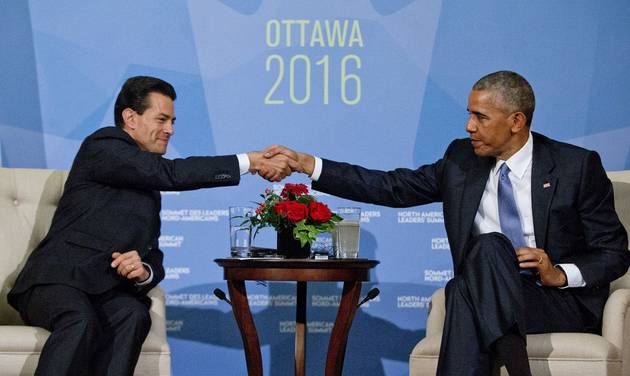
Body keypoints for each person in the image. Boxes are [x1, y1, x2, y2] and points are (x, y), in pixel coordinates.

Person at [264, 71, 630, 375]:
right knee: (482, 259)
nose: (469, 126)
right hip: (488, 292)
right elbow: (391, 187)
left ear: (516, 121)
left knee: (467, 285)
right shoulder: (461, 159)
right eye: (469, 114)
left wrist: (559, 273)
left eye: (481, 117)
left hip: (553, 300)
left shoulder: (575, 166)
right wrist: (309, 164)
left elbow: (614, 252)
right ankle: (517, 362)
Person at [7, 76, 295, 376]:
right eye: (161, 119)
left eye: (172, 121)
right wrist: (250, 161)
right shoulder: (104, 145)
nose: (169, 130)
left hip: (104, 288)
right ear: (129, 118)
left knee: (133, 314)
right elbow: (170, 172)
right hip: (56, 282)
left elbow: (152, 254)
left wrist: (143, 270)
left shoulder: (148, 188)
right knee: (80, 320)